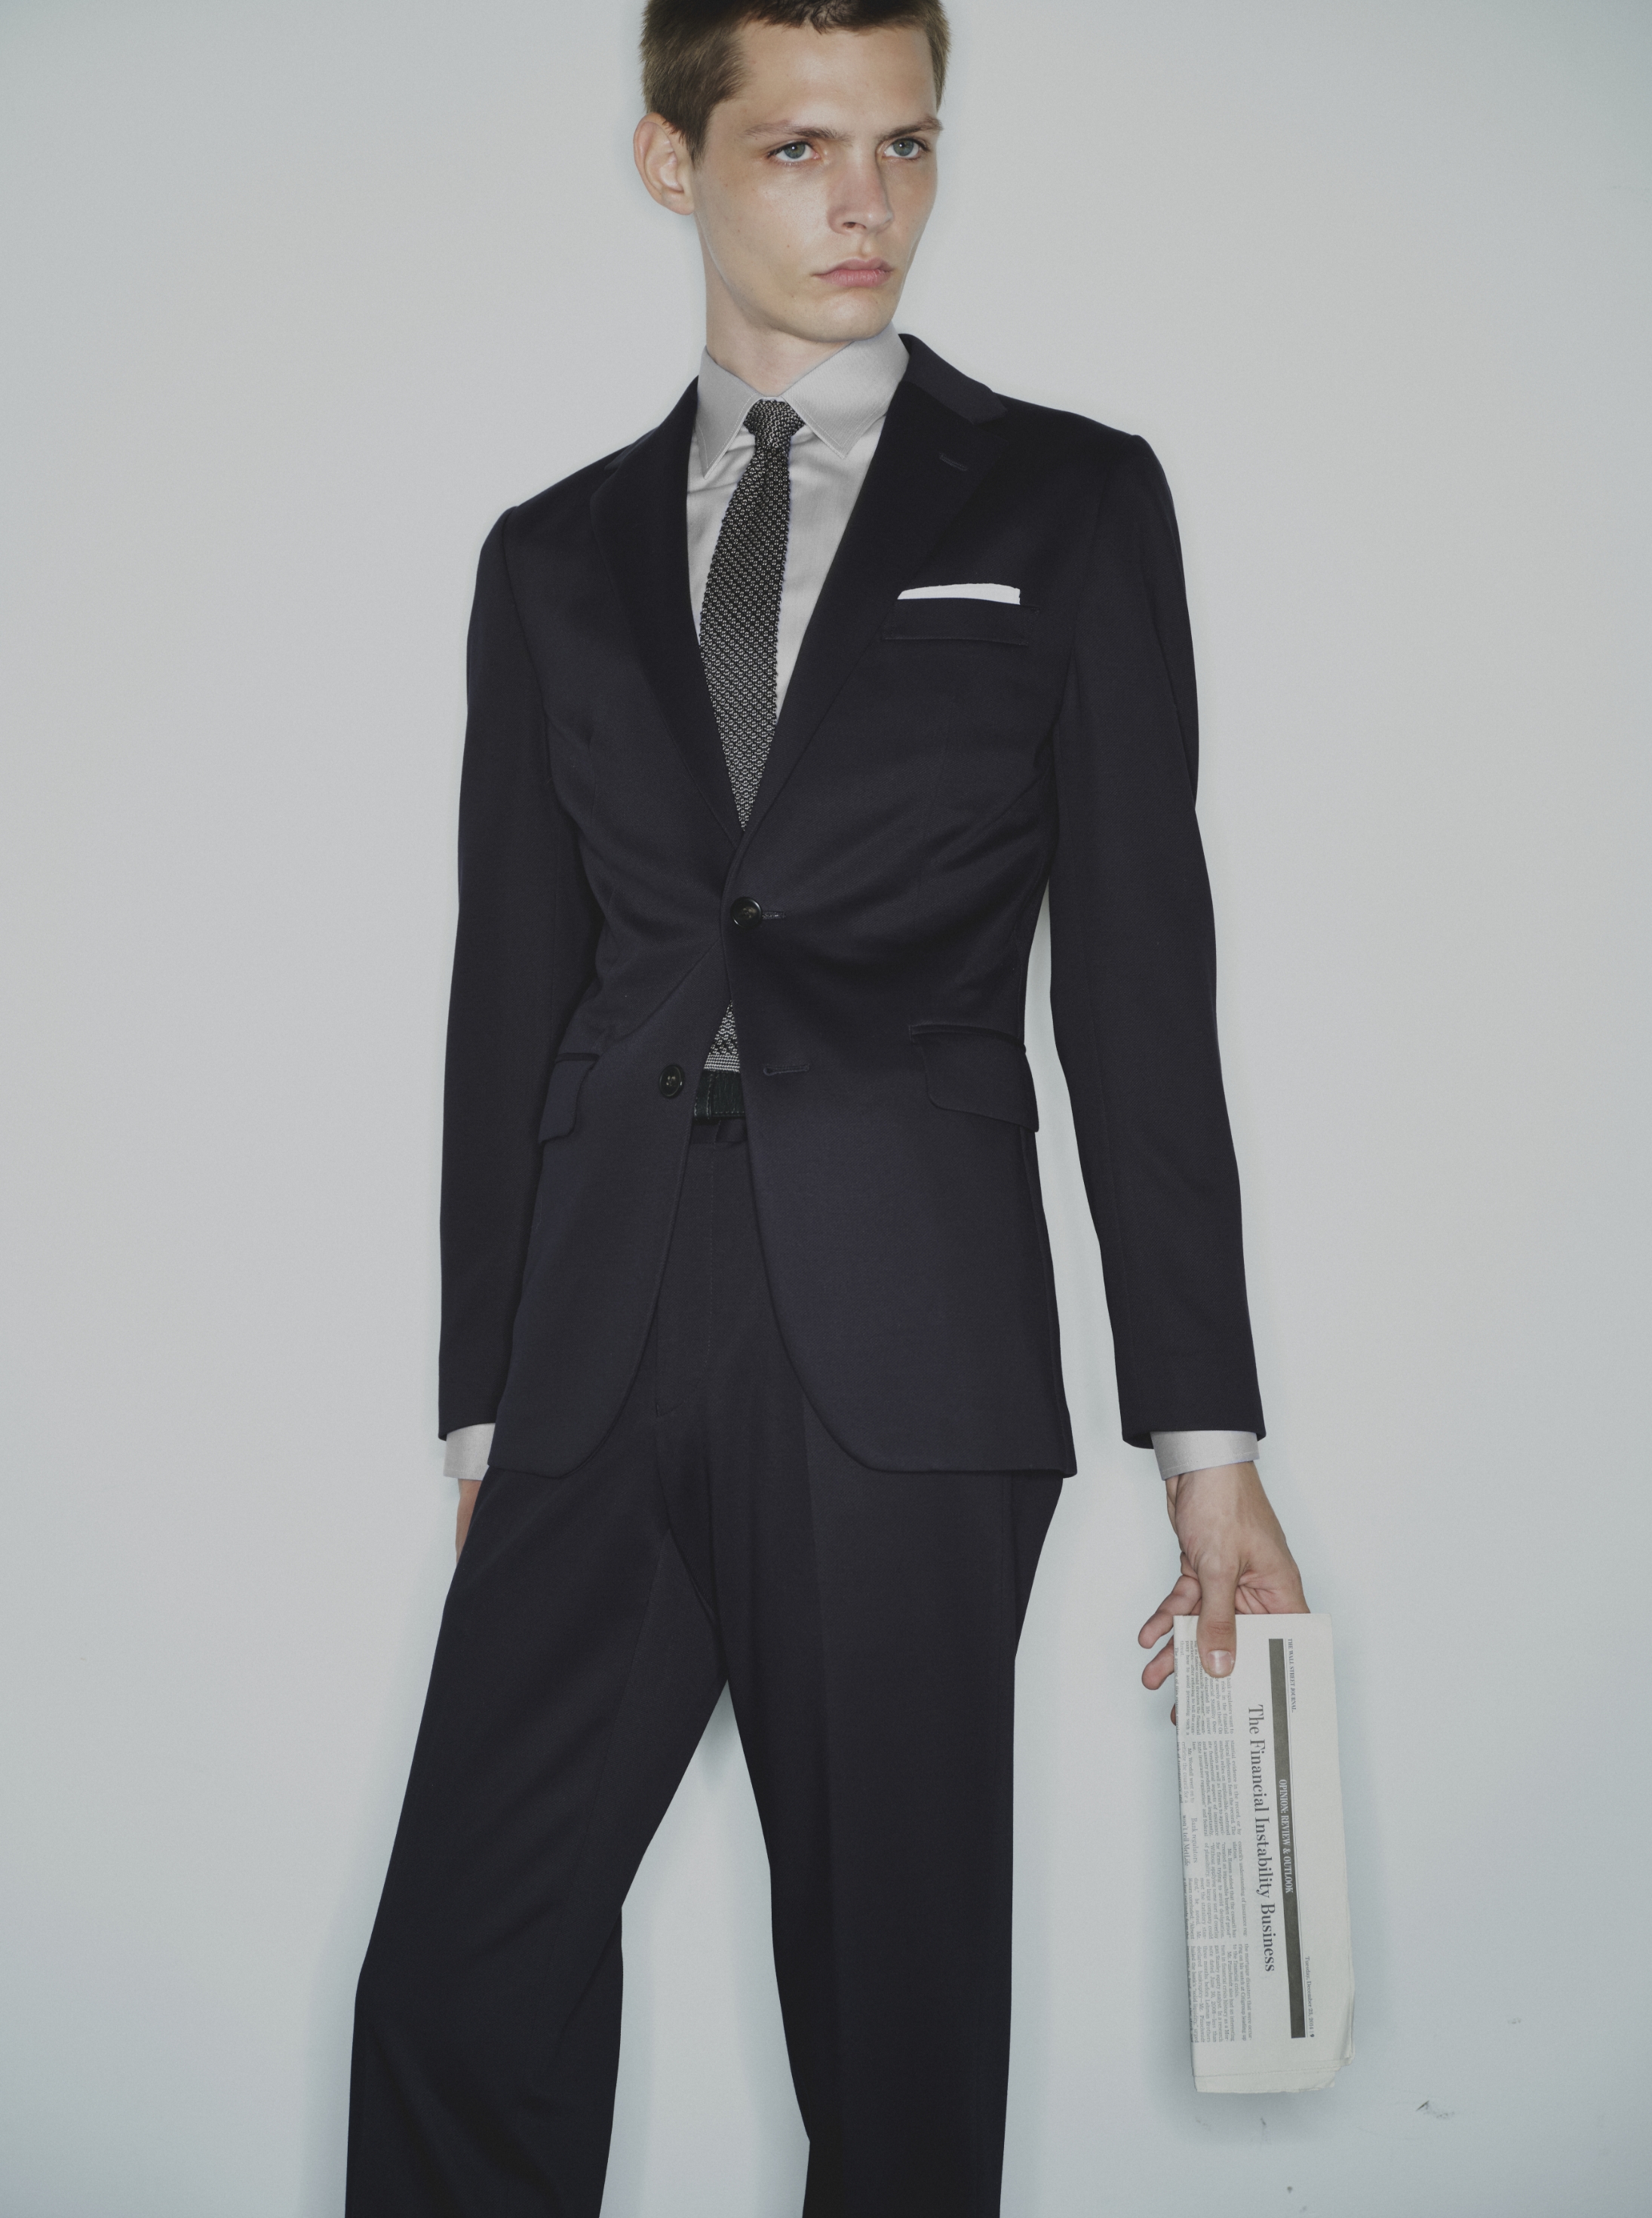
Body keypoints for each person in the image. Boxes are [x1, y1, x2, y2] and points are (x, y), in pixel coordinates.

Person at [346, 3, 1308, 2210]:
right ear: (670, 161)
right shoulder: (551, 557)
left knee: (892, 2016)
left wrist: (1208, 1437)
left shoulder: (1068, 503)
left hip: (904, 1335)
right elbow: (512, 999)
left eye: (907, 145)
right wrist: (484, 1410)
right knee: (461, 1975)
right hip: (596, 1336)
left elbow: (1141, 984)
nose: (870, 202)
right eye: (799, 148)